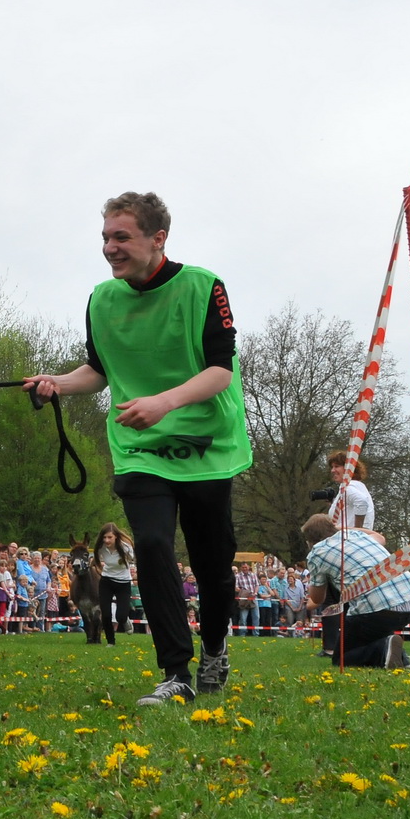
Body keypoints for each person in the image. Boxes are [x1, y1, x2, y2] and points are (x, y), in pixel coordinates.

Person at [26, 190, 251, 706]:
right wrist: (56, 383)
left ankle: (214, 645)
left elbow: (220, 371)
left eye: (121, 236)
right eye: (105, 237)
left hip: (206, 442)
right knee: (149, 545)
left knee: (215, 566)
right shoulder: (101, 300)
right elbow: (100, 372)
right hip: (140, 444)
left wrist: (164, 403)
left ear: (158, 238)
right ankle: (176, 671)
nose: (110, 247)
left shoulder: (204, 287)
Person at [301, 514, 410, 668]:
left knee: (342, 658)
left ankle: (384, 650)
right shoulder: (356, 535)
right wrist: (343, 528)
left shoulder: (317, 553)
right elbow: (379, 537)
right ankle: (396, 655)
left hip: (378, 609)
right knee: (370, 634)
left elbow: (317, 598)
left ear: (310, 540)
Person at [94, 524, 133, 643]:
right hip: (106, 581)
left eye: (109, 537)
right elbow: (96, 560)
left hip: (123, 583)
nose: (106, 540)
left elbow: (132, 559)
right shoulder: (101, 547)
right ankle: (111, 641)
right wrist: (100, 570)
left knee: (120, 616)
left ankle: (125, 620)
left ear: (116, 536)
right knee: (105, 614)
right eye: (104, 537)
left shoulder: (126, 548)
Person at [325, 451, 375, 531]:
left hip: (349, 540)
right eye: (332, 467)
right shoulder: (357, 486)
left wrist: (357, 531)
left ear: (348, 469)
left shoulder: (348, 487)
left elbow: (361, 501)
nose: (332, 470)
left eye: (336, 466)